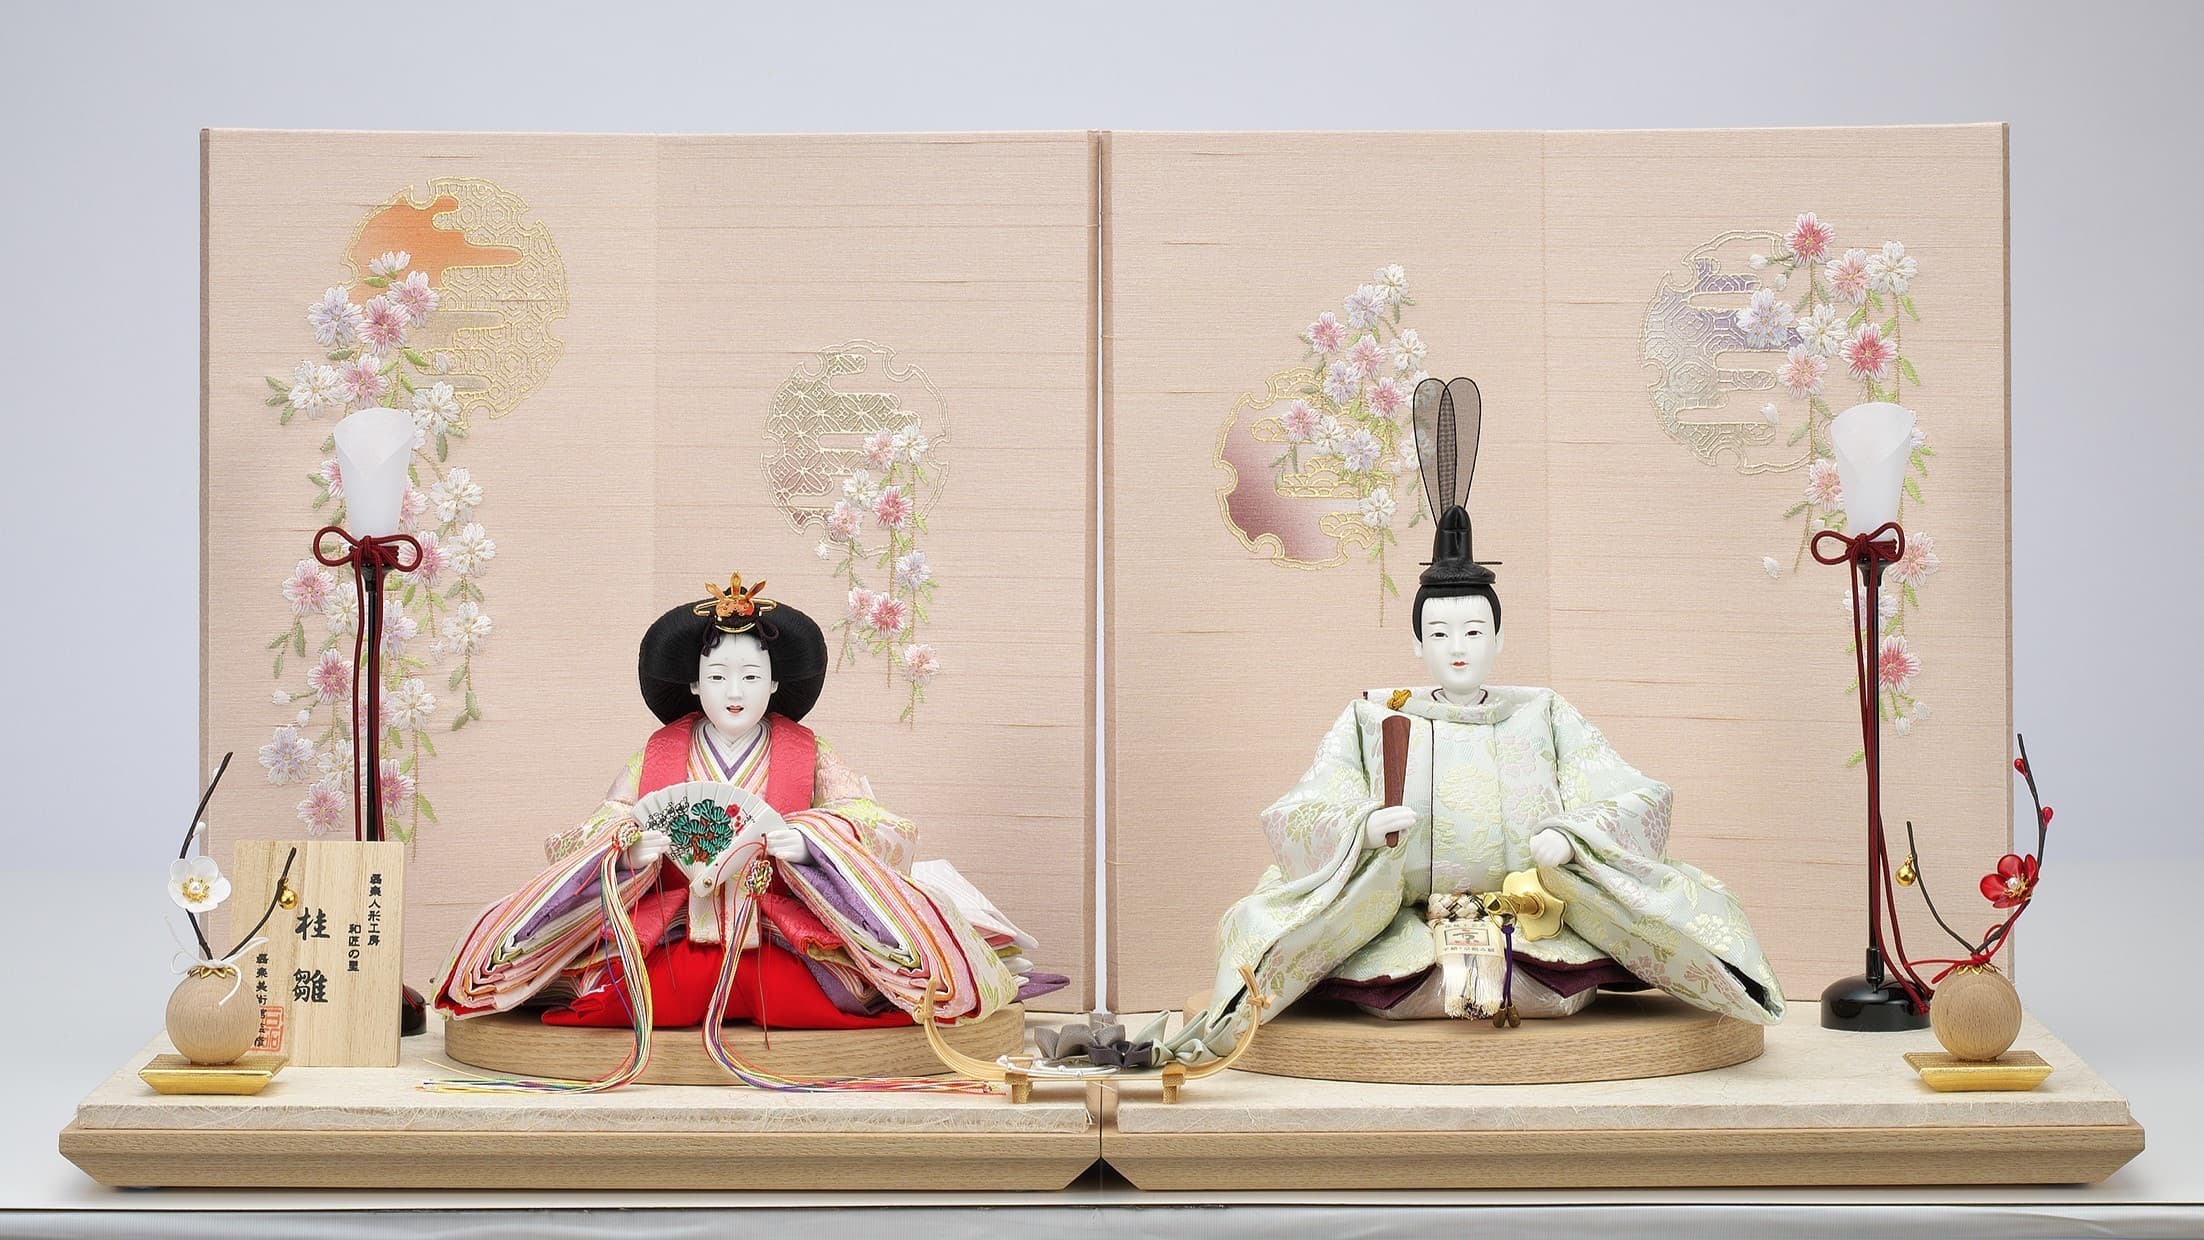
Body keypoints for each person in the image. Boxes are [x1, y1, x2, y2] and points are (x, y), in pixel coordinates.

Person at [1168, 380, 1782, 1064]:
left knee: (1549, 979)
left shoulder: (1544, 713)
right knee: (1373, 969)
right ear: (1417, 644)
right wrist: (1360, 831)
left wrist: (1573, 837)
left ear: (1498, 638)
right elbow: (1304, 808)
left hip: (1534, 919)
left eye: (1472, 631)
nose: (1457, 648)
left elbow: (1630, 794)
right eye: (1439, 633)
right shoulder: (1374, 716)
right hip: (1398, 927)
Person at [434, 574, 1060, 1034]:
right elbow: (593, 828)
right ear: (694, 683)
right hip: (673, 923)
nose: (734, 692)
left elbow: (878, 823)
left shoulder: (807, 751)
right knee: (616, 984)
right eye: (718, 677)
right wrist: (629, 848)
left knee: (849, 984)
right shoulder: (657, 754)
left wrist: (811, 842)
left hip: (779, 928)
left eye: (751, 676)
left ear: (776, 683)